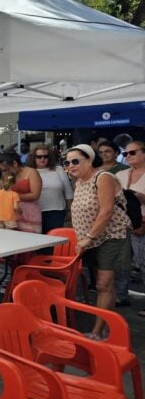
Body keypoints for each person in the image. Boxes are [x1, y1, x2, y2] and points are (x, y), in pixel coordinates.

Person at [66, 144, 131, 339]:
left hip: (110, 236)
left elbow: (106, 211)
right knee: (105, 286)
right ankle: (106, 325)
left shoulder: (104, 177)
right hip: (91, 240)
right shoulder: (79, 182)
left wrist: (88, 238)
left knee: (103, 284)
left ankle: (97, 331)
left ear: (90, 160)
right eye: (67, 162)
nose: (71, 165)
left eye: (75, 161)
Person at [116, 140, 145, 312]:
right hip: (122, 224)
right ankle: (122, 295)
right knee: (122, 263)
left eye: (132, 153)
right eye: (126, 153)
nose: (127, 156)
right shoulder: (121, 174)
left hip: (142, 224)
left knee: (143, 264)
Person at [27, 144, 73, 237]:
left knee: (53, 242)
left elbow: (68, 191)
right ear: (33, 158)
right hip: (33, 212)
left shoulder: (58, 170)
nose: (42, 159)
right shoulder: (28, 171)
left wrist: (71, 210)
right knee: (36, 242)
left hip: (56, 212)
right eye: (39, 156)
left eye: (46, 156)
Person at [0, 153, 42, 233]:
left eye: (7, 169)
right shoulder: (6, 176)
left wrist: (13, 196)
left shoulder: (31, 172)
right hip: (11, 216)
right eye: (3, 171)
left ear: (15, 164)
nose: (5, 173)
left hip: (30, 214)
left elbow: (35, 195)